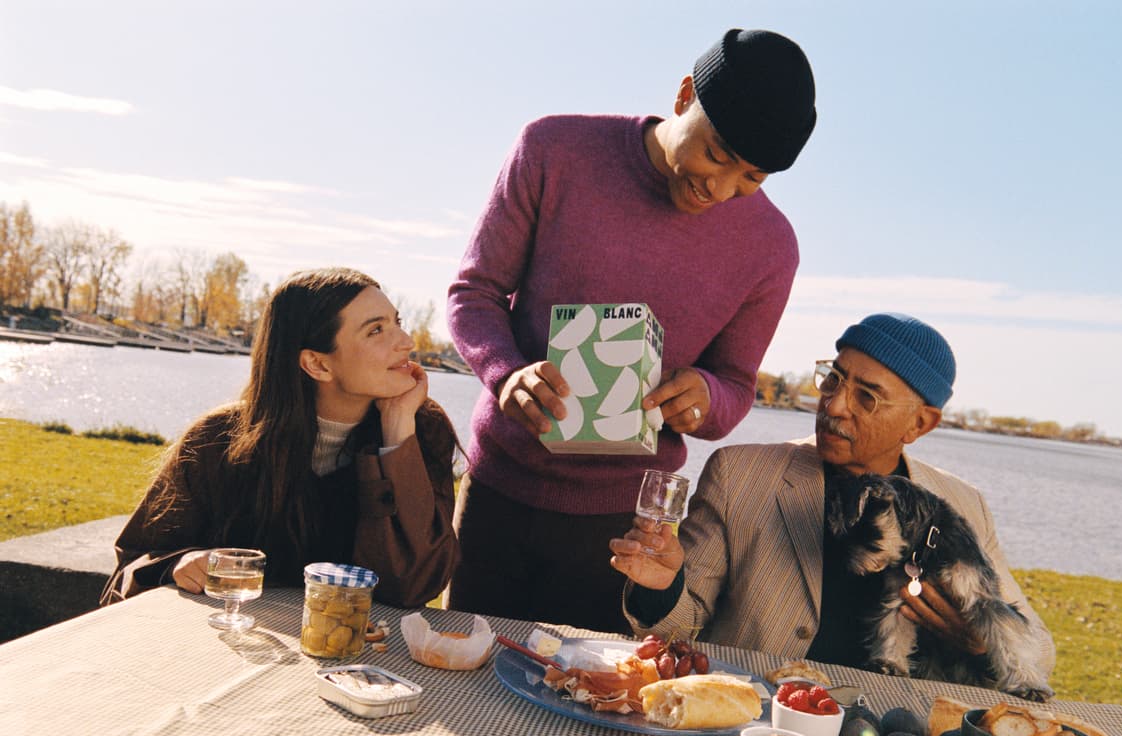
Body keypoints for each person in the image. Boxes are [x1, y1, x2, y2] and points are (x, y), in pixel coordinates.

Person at [445, 29, 818, 632]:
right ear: (684, 94)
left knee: (591, 708)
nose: (719, 189)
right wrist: (506, 372)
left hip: (626, 526)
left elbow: (736, 388)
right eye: (718, 154)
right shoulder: (553, 148)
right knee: (465, 685)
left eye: (752, 178)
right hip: (499, 497)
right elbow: (474, 293)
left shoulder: (773, 248)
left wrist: (706, 396)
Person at [610, 312, 1056, 686]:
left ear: (919, 424)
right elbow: (683, 625)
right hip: (759, 719)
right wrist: (661, 585)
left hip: (903, 734)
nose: (835, 405)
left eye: (867, 397)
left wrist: (978, 641)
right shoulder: (739, 474)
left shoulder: (962, 504)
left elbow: (1040, 651)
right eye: (834, 379)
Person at [100, 267, 460, 608]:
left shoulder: (423, 430)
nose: (407, 342)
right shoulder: (215, 442)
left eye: (397, 323)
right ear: (317, 364)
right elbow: (130, 570)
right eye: (376, 330)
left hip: (363, 658)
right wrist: (182, 563)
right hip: (232, 651)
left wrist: (396, 438)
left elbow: (417, 585)